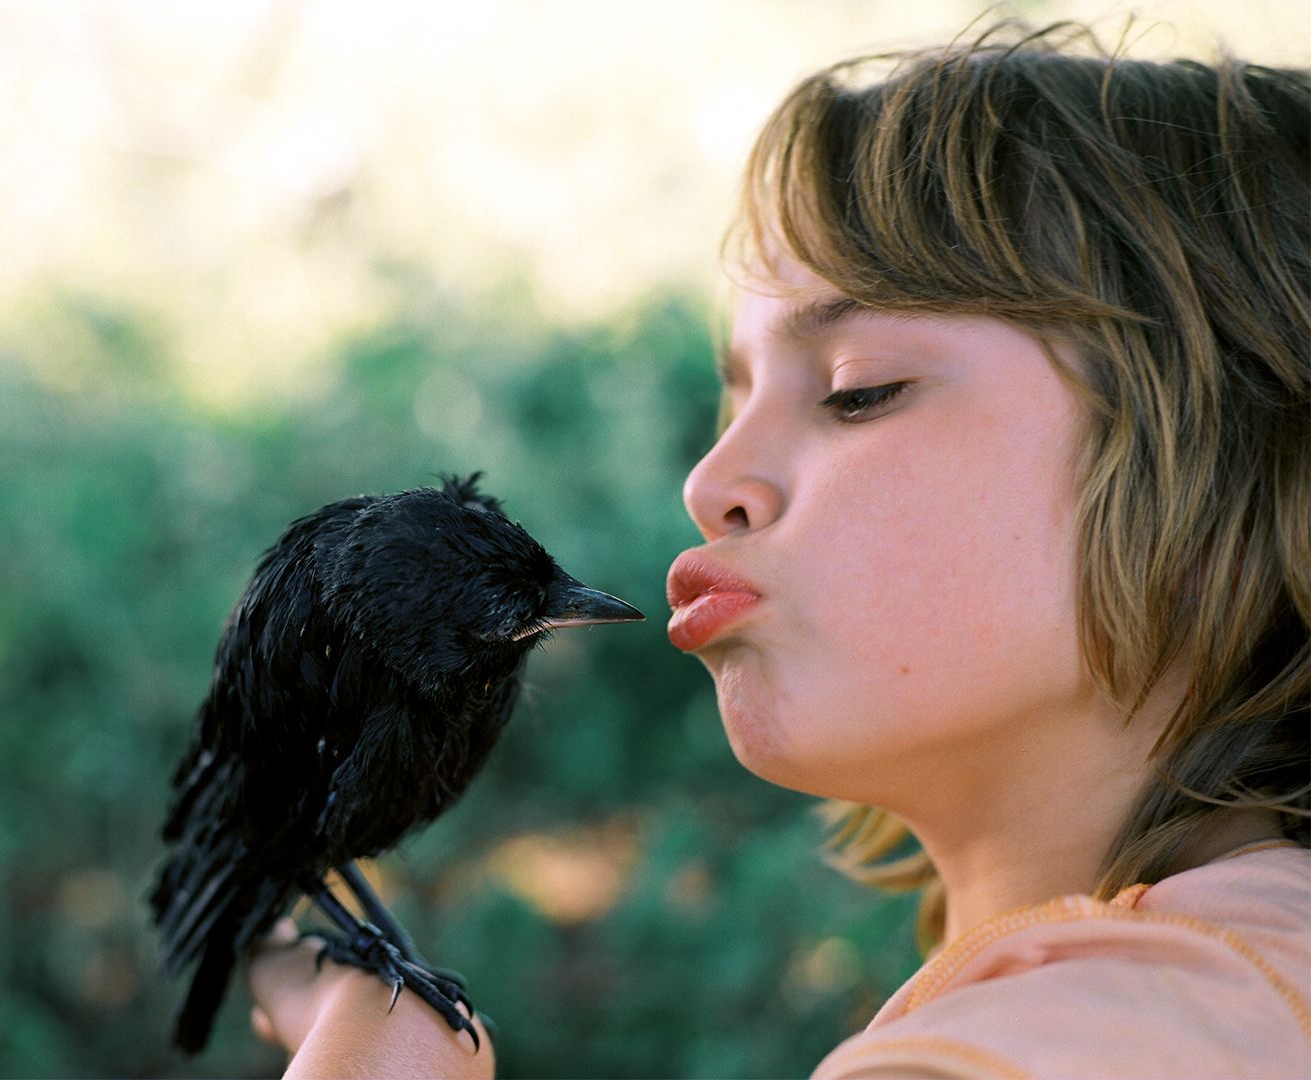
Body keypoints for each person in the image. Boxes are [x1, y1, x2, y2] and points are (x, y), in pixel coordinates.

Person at [244, 18, 1310, 1078]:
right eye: (739, 394)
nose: (711, 481)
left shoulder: (1124, 1026)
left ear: (1227, 480)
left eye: (857, 389)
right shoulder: (1223, 983)